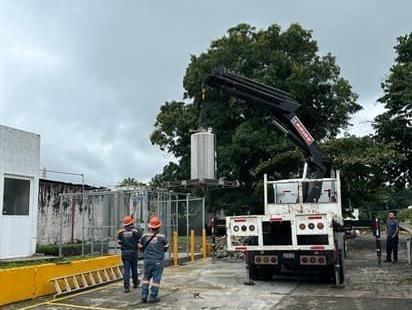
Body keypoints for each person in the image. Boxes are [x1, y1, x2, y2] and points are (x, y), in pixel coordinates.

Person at [139, 216, 169, 304]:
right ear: (159, 227)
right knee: (156, 279)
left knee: (146, 278)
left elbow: (140, 247)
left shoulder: (144, 235)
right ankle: (153, 297)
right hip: (158, 261)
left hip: (147, 260)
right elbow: (166, 247)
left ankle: (143, 296)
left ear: (150, 226)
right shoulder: (162, 237)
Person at [118, 215, 141, 293]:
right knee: (134, 268)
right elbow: (139, 241)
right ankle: (135, 284)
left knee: (126, 270)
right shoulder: (136, 231)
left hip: (124, 252)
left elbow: (120, 242)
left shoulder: (121, 232)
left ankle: (126, 287)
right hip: (133, 252)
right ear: (131, 222)